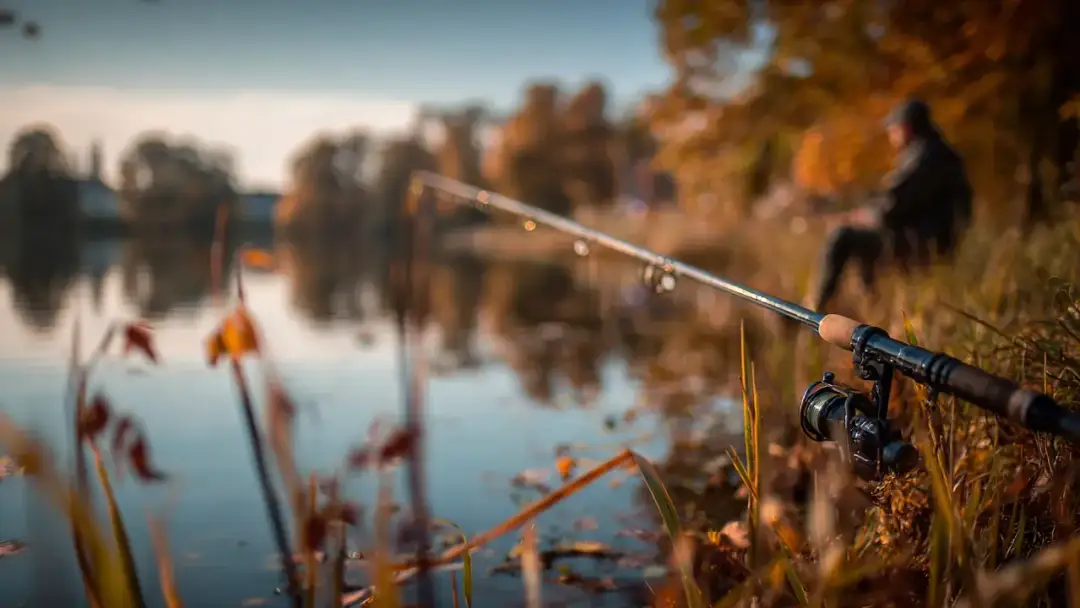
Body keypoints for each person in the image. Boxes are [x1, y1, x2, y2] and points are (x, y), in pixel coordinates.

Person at [808, 98, 973, 313]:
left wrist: (854, 217)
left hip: (925, 246)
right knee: (862, 239)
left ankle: (815, 312)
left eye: (893, 130)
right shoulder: (938, 152)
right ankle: (870, 307)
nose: (891, 136)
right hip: (935, 242)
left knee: (843, 236)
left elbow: (889, 209)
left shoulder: (924, 157)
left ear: (906, 127)